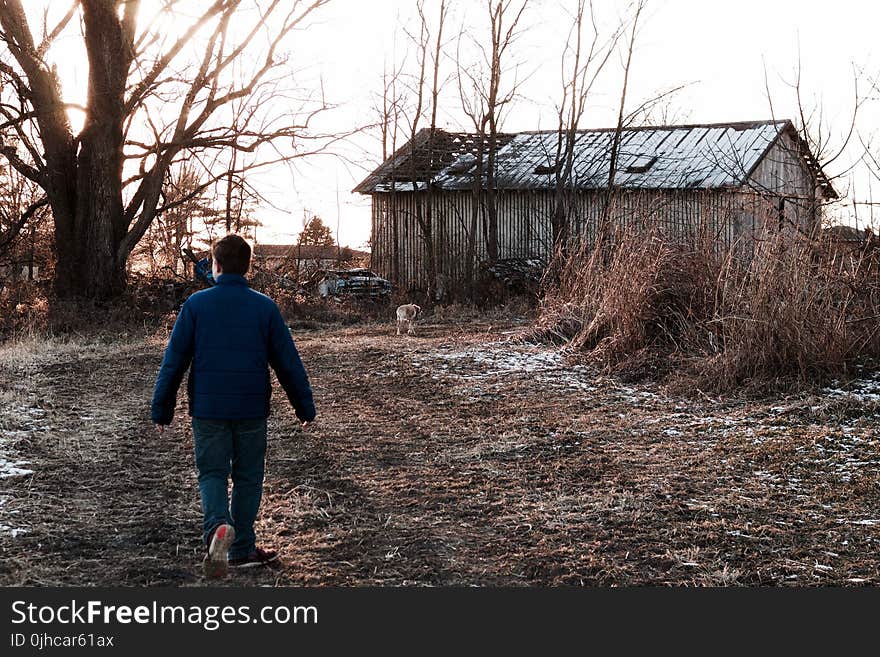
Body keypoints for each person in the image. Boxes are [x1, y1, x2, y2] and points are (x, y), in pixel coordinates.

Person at [151, 234, 315, 578]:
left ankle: (217, 530)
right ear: (249, 266)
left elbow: (174, 361)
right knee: (248, 477)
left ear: (217, 265)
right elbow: (289, 363)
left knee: (212, 472)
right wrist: (304, 407)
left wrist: (162, 409)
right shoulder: (264, 307)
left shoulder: (196, 305)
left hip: (208, 409)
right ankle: (240, 549)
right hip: (251, 409)